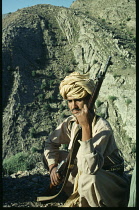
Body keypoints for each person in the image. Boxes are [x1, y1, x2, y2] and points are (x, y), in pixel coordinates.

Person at [43, 72, 130, 207]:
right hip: (82, 174)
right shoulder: (71, 123)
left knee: (89, 177)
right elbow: (51, 143)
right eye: (70, 101)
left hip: (107, 180)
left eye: (78, 100)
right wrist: (53, 168)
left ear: (89, 100)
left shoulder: (102, 128)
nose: (74, 106)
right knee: (55, 157)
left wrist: (86, 127)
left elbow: (90, 168)